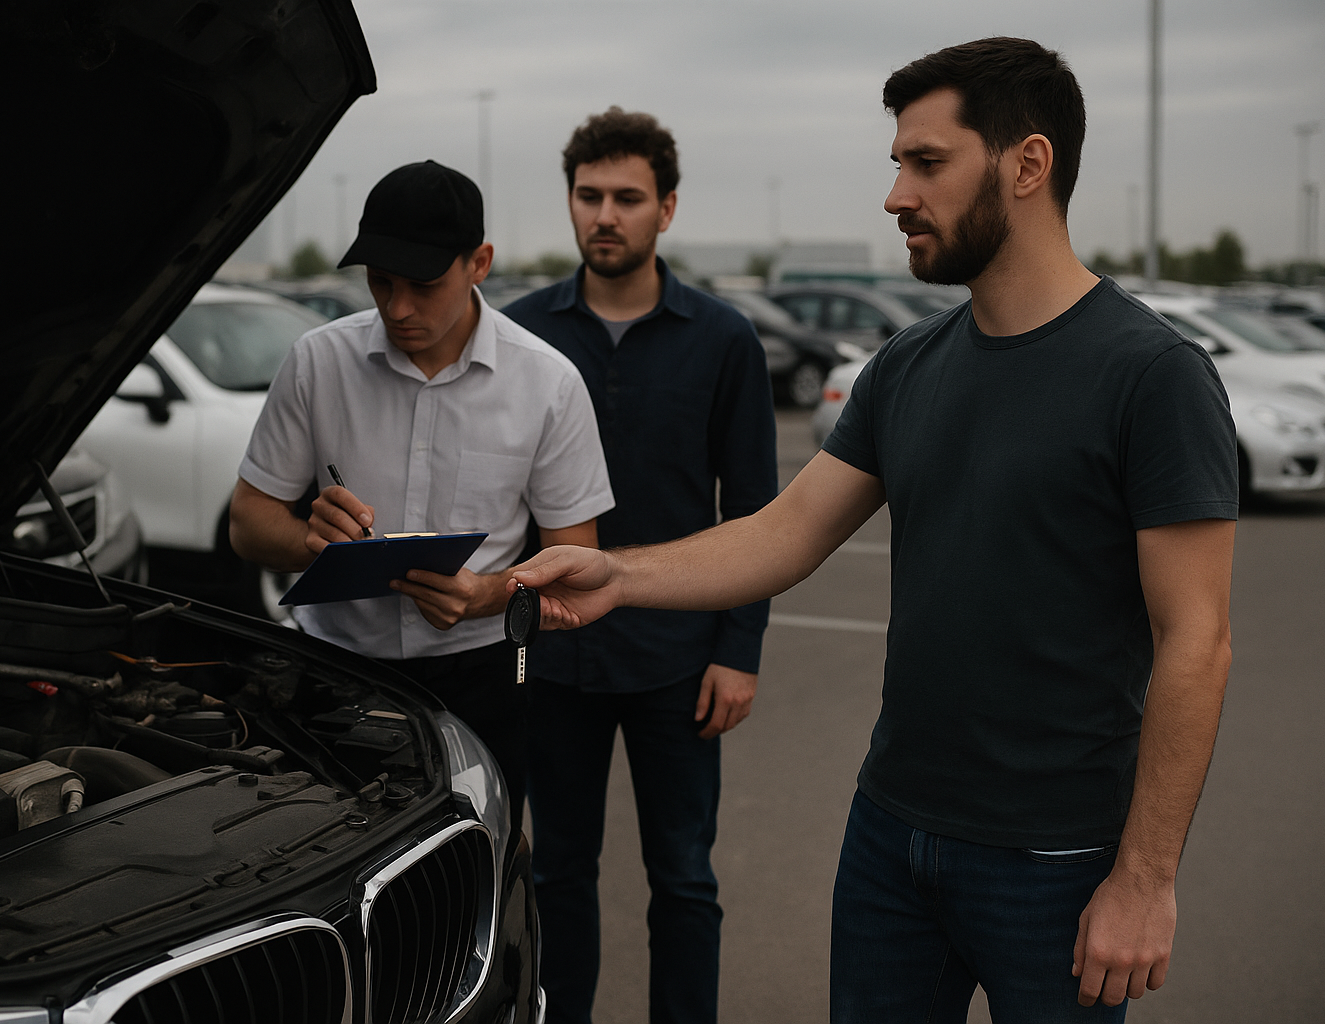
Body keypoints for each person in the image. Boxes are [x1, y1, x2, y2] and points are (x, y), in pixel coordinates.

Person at [509, 39, 1238, 1022]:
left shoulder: (1152, 375)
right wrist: (618, 576)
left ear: (1028, 165)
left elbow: (1197, 639)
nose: (896, 195)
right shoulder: (907, 363)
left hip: (1056, 860)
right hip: (892, 836)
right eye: (897, 163)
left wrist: (1145, 877)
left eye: (926, 163)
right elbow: (788, 530)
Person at [229, 160, 614, 834]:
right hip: (332, 671)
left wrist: (489, 596)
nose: (398, 307)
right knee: (321, 872)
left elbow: (577, 561)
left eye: (423, 285)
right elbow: (248, 525)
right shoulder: (318, 361)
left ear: (480, 263)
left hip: (483, 679)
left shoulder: (549, 383)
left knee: (474, 870)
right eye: (381, 282)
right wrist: (309, 541)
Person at [501, 109, 778, 1024]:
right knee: (556, 873)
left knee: (685, 881)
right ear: (571, 204)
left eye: (627, 197)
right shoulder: (522, 335)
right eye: (589, 196)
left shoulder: (725, 338)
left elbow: (754, 511)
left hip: (680, 662)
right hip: (555, 662)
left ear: (667, 208)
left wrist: (740, 650)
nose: (605, 215)